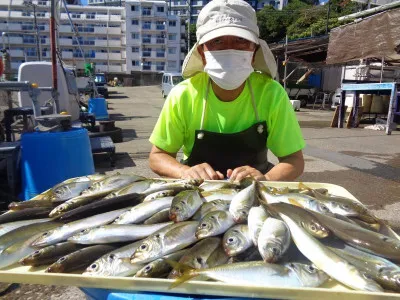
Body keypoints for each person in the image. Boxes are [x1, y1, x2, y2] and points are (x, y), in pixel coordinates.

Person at [149, 0, 305, 182]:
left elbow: (294, 159)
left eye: (241, 40)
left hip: (253, 190)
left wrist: (266, 179)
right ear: (202, 53)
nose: (230, 49)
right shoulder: (183, 95)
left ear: (254, 52)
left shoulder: (271, 93)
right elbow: (157, 156)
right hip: (197, 192)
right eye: (217, 41)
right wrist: (184, 171)